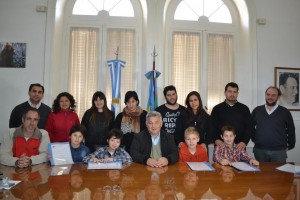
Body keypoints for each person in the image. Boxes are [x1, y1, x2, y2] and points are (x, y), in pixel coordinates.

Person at [251, 86, 295, 162]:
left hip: (279, 151)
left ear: (278, 97)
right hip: (260, 150)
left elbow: (291, 129)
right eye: (268, 94)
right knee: (261, 173)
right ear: (265, 95)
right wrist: (254, 139)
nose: (270, 97)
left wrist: (291, 145)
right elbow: (250, 127)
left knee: (279, 173)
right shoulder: (257, 110)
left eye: (273, 95)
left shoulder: (285, 112)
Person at [211, 82, 252, 150]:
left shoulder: (244, 109)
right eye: (229, 91)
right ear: (225, 93)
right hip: (221, 146)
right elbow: (212, 127)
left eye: (234, 92)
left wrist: (244, 142)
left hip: (239, 147)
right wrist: (216, 139)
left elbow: (249, 127)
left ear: (237, 94)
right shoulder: (217, 109)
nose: (232, 94)